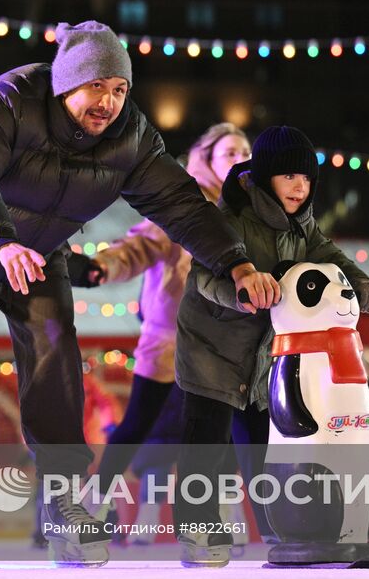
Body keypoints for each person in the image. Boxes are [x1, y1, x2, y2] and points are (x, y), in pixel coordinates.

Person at [0, 21, 279, 568]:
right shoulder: (9, 98)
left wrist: (236, 261)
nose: (109, 102)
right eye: (97, 86)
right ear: (66, 83)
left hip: (39, 247)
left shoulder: (131, 139)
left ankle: (63, 499)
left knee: (54, 353)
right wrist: (0, 243)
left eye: (120, 89)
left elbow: (183, 206)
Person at [172, 126, 369, 567]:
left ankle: (282, 523)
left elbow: (332, 258)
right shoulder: (229, 219)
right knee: (205, 442)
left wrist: (361, 284)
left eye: (306, 179)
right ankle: (198, 529)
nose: (299, 187)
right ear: (266, 177)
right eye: (288, 177)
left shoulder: (303, 226)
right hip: (213, 347)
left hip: (265, 355)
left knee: (263, 446)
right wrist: (242, 293)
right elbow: (205, 278)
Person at [81, 123, 253, 496]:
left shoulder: (253, 215)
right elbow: (140, 245)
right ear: (207, 161)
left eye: (245, 153)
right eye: (230, 153)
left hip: (225, 345)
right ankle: (95, 501)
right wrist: (103, 265)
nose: (241, 160)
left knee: (230, 428)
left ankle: (222, 510)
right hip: (169, 338)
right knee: (138, 423)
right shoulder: (186, 207)